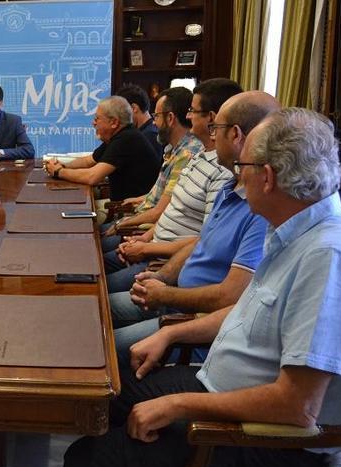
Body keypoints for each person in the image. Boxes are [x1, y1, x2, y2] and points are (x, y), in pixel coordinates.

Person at [64, 108, 341, 467]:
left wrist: (179, 405)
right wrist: (172, 336)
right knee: (103, 399)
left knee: (89, 461)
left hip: (272, 441)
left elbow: (297, 406)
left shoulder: (329, 257)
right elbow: (249, 309)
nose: (237, 177)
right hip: (217, 383)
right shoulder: (296, 228)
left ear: (267, 177)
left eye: (242, 166)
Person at [110, 91, 277, 364]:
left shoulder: (260, 208)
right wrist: (162, 278)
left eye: (216, 128)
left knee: (103, 346)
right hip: (172, 294)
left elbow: (231, 296)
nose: (211, 135)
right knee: (94, 311)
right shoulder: (230, 187)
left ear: (235, 135)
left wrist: (165, 291)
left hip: (193, 324)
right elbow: (200, 243)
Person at [103, 82, 239, 293]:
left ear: (212, 118)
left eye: (193, 111)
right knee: (90, 271)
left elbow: (203, 240)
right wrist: (144, 238)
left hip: (161, 263)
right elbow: (171, 210)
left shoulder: (219, 170)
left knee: (97, 287)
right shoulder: (198, 155)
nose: (189, 116)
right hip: (150, 246)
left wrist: (144, 246)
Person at [97, 86, 203, 242]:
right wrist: (142, 198)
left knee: (94, 243)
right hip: (141, 219)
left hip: (145, 231)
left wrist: (122, 223)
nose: (155, 122)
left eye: (157, 116)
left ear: (170, 118)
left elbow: (160, 211)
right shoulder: (174, 149)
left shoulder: (186, 155)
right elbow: (164, 194)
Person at [44, 95, 161, 202]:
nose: (93, 123)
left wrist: (59, 172)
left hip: (129, 210)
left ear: (114, 122)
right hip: (120, 204)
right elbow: (88, 161)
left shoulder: (127, 139)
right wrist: (62, 165)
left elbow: (92, 177)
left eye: (97, 119)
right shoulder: (119, 135)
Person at [116, 83, 162, 157]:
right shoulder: (144, 132)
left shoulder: (149, 136)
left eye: (121, 112)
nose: (119, 118)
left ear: (134, 108)